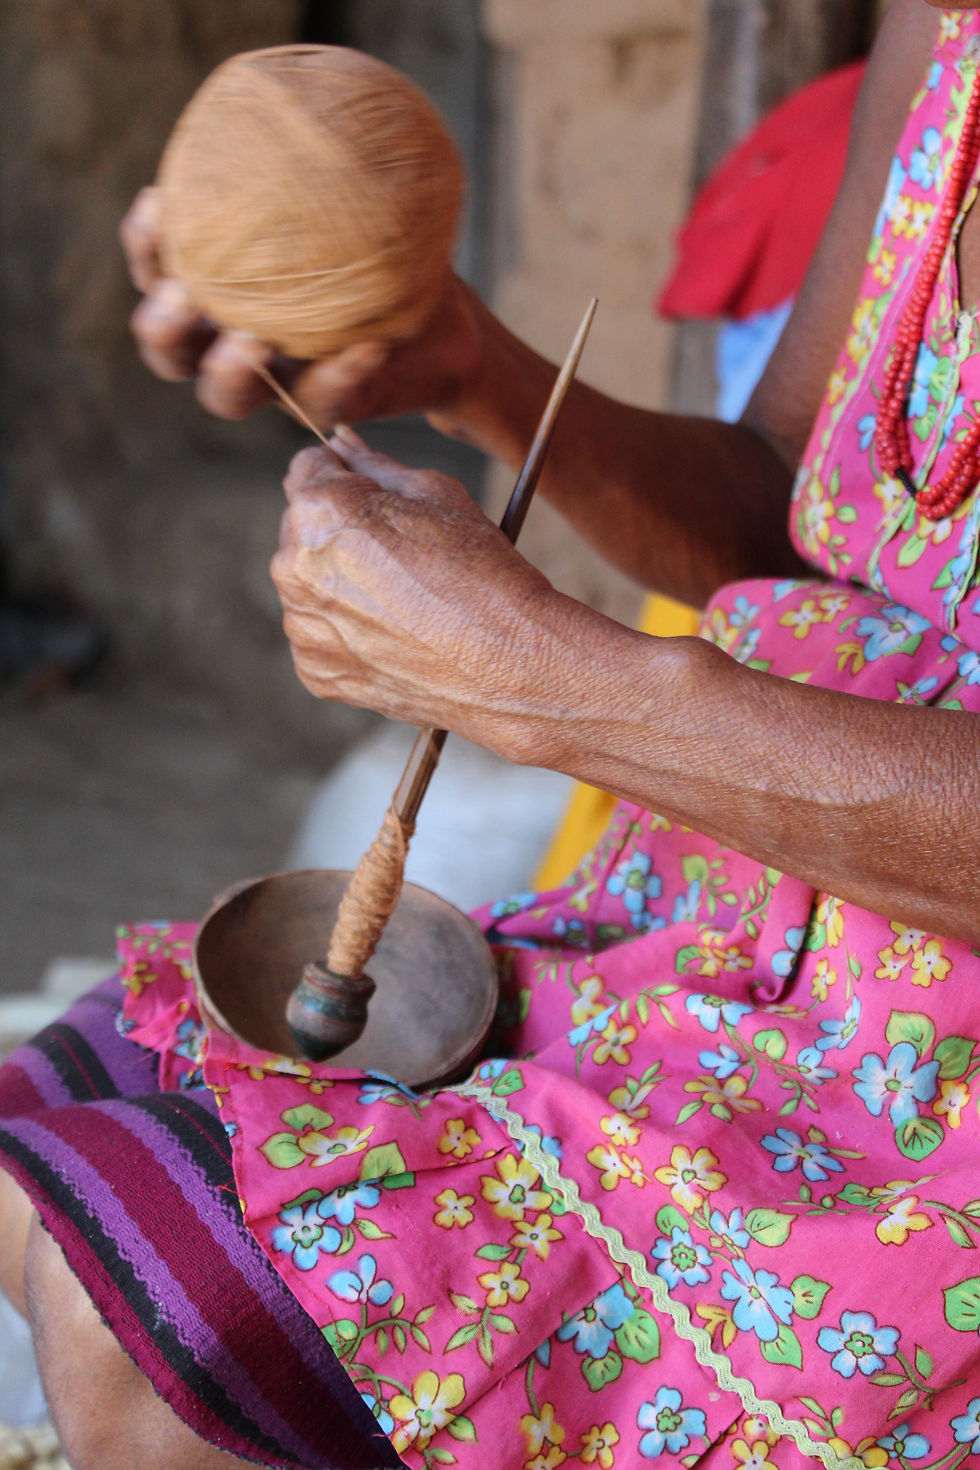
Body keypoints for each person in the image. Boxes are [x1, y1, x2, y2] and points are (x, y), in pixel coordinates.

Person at [4, 1, 980, 1465]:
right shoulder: (939, 26)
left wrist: (543, 674)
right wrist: (470, 365)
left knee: (150, 1323)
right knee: (61, 1152)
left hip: (915, 1143)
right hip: (737, 950)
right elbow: (794, 502)